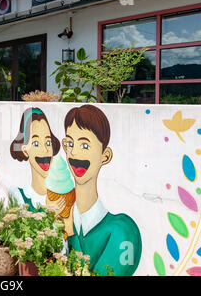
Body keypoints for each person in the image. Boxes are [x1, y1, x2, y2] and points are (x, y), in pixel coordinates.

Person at [62, 104, 142, 276]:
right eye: (70, 143)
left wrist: (70, 235)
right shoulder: (63, 217)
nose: (74, 153)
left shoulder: (122, 230)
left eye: (84, 145)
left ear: (105, 156)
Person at [9, 107, 61, 212]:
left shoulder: (62, 195)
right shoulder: (20, 195)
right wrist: (50, 212)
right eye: (36, 143)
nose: (45, 150)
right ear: (24, 149)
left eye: (48, 142)